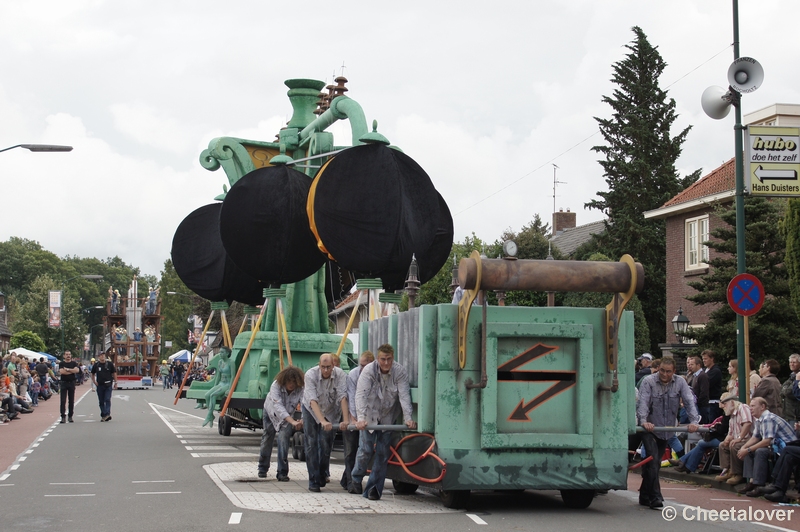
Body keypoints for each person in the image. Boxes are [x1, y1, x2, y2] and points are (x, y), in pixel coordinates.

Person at [350, 344, 416, 501]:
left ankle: (373, 488)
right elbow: (361, 395)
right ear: (377, 358)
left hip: (387, 415)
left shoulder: (399, 371)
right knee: (365, 450)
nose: (386, 363)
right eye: (383, 359)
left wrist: (408, 418)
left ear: (393, 358)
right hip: (369, 415)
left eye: (389, 359)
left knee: (382, 452)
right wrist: (360, 418)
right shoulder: (368, 371)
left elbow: (404, 396)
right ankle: (356, 478)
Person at [636, 356, 699, 510]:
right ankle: (656, 497)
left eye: (668, 372)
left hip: (666, 428)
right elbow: (643, 402)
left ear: (674, 371)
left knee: (654, 463)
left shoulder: (680, 382)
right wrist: (644, 421)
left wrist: (694, 422)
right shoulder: (649, 381)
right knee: (653, 460)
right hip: (650, 427)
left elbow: (689, 401)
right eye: (662, 371)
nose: (664, 374)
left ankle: (644, 495)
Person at [302, 353, 349, 493]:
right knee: (311, 443)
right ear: (319, 365)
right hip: (311, 409)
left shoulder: (340, 375)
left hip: (330, 410)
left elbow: (342, 397)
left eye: (329, 367)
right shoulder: (310, 375)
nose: (326, 370)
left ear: (333, 366)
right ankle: (314, 480)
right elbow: (312, 400)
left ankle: (322, 473)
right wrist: (321, 420)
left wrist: (345, 420)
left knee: (325, 443)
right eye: (323, 367)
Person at [736, 396, 797, 496]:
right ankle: (751, 481)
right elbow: (755, 437)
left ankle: (758, 484)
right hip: (776, 447)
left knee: (760, 451)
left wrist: (748, 449)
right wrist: (744, 448)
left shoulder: (768, 418)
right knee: (748, 450)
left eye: (753, 406)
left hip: (785, 448)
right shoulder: (760, 419)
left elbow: (767, 441)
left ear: (762, 407)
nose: (750, 408)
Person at [257, 366, 305, 480]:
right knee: (267, 437)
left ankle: (282, 472)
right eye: (289, 381)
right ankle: (262, 467)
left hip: (288, 417)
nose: (291, 384)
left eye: (294, 382)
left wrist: (303, 419)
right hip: (271, 413)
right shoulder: (276, 386)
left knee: (284, 441)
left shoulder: (301, 389)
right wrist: (292, 421)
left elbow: (305, 404)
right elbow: (278, 406)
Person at [341, 350, 375, 491]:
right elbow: (352, 397)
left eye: (365, 366)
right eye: (360, 365)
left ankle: (347, 479)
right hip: (352, 415)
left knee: (363, 450)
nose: (362, 369)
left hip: (368, 417)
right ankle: (351, 482)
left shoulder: (375, 375)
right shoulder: (353, 374)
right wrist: (354, 419)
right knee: (350, 450)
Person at [715, 393, 754, 484]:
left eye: (725, 404)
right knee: (722, 445)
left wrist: (739, 437)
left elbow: (747, 423)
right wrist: (727, 439)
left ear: (732, 403)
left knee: (735, 445)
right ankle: (728, 470)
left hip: (749, 439)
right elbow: (731, 433)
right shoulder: (732, 416)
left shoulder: (743, 408)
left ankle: (738, 473)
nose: (724, 407)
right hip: (740, 440)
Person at [201, 348, 232, 427]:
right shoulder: (220, 362)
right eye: (220, 352)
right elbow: (218, 375)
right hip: (221, 383)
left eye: (222, 352)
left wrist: (230, 388)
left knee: (213, 395)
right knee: (207, 395)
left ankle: (209, 416)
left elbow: (233, 376)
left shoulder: (231, 362)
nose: (220, 354)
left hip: (227, 384)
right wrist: (215, 386)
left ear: (227, 353)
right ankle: (211, 415)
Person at [91, 351, 116, 422]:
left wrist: (115, 382)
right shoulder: (96, 365)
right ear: (98, 357)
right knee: (101, 401)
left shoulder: (109, 364)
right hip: (100, 385)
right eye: (101, 355)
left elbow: (114, 373)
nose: (102, 356)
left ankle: (107, 414)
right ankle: (103, 415)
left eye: (103, 355)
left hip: (108, 384)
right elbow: (92, 373)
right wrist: (94, 382)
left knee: (107, 399)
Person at [686, 355, 710, 423]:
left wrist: (698, 402)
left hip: (702, 406)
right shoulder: (694, 375)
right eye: (689, 364)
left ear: (698, 365)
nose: (690, 366)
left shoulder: (702, 376)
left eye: (692, 364)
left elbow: (704, 392)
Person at [58, 351, 80, 423]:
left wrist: (67, 369)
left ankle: (70, 416)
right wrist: (72, 371)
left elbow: (77, 370)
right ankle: (63, 416)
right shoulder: (61, 363)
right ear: (64, 356)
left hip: (71, 383)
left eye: (69, 354)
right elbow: (62, 372)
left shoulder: (74, 363)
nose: (68, 356)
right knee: (63, 400)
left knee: (71, 400)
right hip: (64, 383)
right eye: (66, 354)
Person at [701, 349, 723, 420]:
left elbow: (706, 384)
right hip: (706, 403)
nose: (704, 360)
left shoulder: (715, 371)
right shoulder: (704, 370)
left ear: (712, 359)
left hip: (713, 403)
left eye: (706, 359)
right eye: (703, 359)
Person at [779, 353, 800, 423]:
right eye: (790, 362)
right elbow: (781, 391)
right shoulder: (791, 376)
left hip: (795, 416)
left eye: (794, 362)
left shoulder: (798, 377)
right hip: (787, 415)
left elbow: (789, 392)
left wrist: (785, 390)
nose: (792, 364)